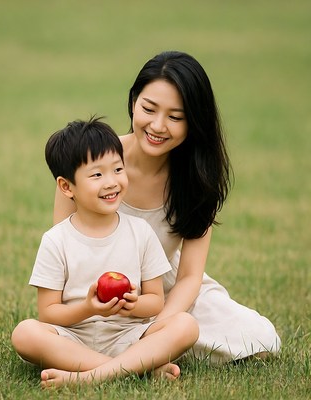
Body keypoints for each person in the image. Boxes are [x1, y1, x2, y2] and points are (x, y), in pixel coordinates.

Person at [50, 51, 281, 382]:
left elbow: (189, 277)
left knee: (260, 339)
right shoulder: (88, 161)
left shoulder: (197, 180)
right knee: (46, 332)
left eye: (176, 116)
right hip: (92, 289)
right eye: (148, 109)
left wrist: (159, 323)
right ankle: (138, 360)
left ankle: (131, 353)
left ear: (194, 121)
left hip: (165, 291)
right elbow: (64, 246)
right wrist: (91, 306)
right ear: (133, 102)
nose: (158, 126)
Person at [11, 117, 199, 387]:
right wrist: (87, 308)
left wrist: (132, 305)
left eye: (118, 169)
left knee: (185, 325)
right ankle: (137, 367)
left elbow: (156, 302)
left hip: (130, 335)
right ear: (66, 187)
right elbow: (48, 313)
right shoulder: (56, 240)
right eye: (97, 174)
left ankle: (89, 377)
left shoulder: (140, 232)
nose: (111, 182)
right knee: (25, 333)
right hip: (74, 337)